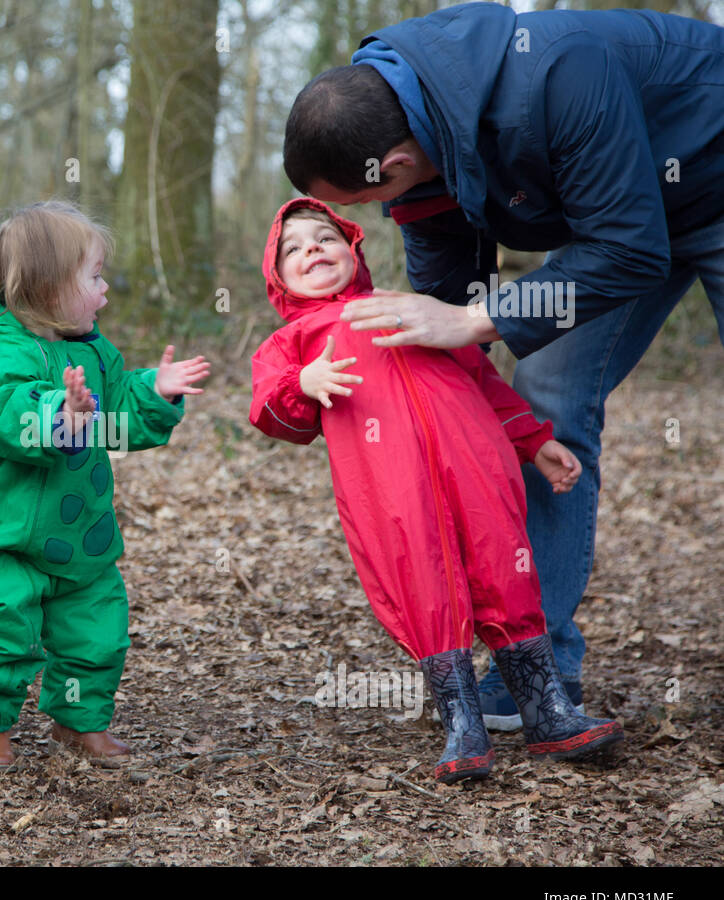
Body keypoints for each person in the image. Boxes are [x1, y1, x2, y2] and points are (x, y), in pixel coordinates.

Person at [281, 3, 724, 728]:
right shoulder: (419, 151)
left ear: (390, 165)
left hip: (698, 184)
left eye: (364, 203)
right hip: (614, 223)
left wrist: (477, 319)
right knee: (546, 391)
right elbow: (448, 305)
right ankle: (537, 667)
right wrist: (434, 417)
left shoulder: (559, 72)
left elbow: (629, 248)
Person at [250, 197, 622, 783]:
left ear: (352, 250)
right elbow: (273, 413)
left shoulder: (407, 309)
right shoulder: (292, 342)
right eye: (293, 249)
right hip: (390, 491)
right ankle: (462, 725)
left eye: (323, 237)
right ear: (278, 277)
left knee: (507, 566)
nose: (311, 250)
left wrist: (533, 439)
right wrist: (304, 380)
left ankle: (547, 711)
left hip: (477, 465)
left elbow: (483, 380)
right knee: (424, 581)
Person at [0, 200, 210, 771]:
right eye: (92, 276)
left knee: (97, 635)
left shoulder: (94, 350)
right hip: (3, 538)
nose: (104, 287)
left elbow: (118, 413)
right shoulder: (1, 350)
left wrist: (155, 392)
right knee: (2, 631)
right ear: (45, 288)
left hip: (82, 536)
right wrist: (56, 415)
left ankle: (77, 720)